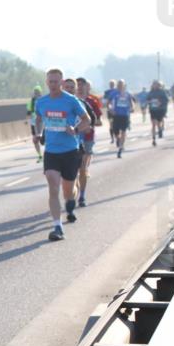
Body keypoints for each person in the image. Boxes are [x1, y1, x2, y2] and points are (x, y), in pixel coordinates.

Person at [34, 68, 91, 240]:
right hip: (51, 152)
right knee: (53, 188)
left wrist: (75, 129)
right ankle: (57, 227)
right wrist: (38, 132)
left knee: (68, 191)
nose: (53, 85)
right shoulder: (41, 102)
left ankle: (71, 202)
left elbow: (87, 120)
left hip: (70, 151)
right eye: (50, 81)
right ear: (46, 82)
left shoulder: (71, 100)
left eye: (56, 82)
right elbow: (38, 119)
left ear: (61, 82)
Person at [75, 78, 103, 207]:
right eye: (78, 85)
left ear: (87, 87)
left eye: (82, 85)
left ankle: (82, 196)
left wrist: (88, 125)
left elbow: (98, 121)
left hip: (87, 138)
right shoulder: (70, 101)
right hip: (72, 139)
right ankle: (73, 192)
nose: (80, 87)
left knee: (82, 169)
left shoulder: (92, 101)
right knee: (73, 171)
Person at [110, 79, 134, 159]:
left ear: (124, 85)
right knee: (115, 131)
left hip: (125, 115)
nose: (120, 85)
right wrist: (111, 109)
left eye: (121, 84)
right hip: (116, 115)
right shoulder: (113, 93)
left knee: (123, 130)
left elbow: (131, 102)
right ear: (117, 85)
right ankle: (118, 139)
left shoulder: (127, 94)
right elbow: (108, 103)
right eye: (119, 84)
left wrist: (132, 108)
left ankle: (121, 147)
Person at [148, 80, 170, 145]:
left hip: (160, 110)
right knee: (153, 124)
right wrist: (149, 102)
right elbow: (147, 99)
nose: (155, 86)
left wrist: (160, 102)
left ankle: (160, 129)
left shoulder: (162, 92)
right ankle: (154, 139)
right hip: (152, 110)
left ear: (159, 85)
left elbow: (166, 100)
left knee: (158, 123)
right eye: (154, 84)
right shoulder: (151, 92)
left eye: (156, 85)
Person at [28, 85, 44, 160]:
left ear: (41, 92)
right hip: (34, 123)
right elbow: (28, 112)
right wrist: (28, 120)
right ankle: (40, 155)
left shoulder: (44, 100)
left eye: (38, 92)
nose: (36, 93)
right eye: (35, 92)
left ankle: (49, 153)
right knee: (35, 140)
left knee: (44, 140)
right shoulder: (31, 101)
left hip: (42, 123)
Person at [102, 79, 118, 143]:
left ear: (115, 84)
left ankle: (117, 138)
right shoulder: (107, 92)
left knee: (117, 124)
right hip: (110, 111)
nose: (112, 85)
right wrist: (107, 105)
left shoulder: (117, 91)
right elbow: (104, 101)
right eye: (110, 84)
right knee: (111, 125)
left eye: (113, 84)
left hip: (117, 111)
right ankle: (112, 138)